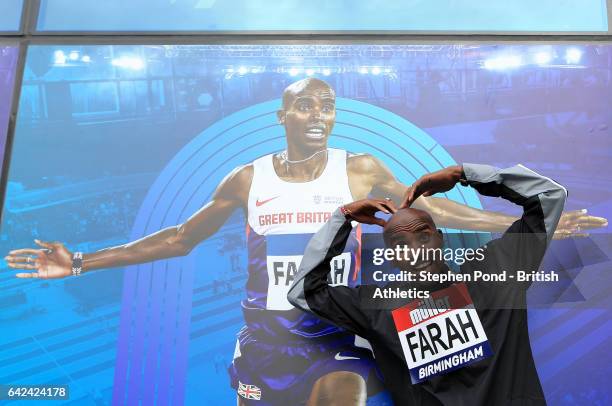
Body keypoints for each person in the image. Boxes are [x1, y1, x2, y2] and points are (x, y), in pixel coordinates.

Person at [5, 78, 601, 405]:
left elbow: (431, 211)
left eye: (328, 105)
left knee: (340, 397)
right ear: (283, 114)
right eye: (306, 104)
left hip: (335, 330)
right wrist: (81, 260)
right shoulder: (247, 179)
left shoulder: (362, 168)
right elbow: (182, 239)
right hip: (264, 338)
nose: (319, 113)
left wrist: (527, 228)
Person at [288, 163, 566, 405]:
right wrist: (343, 216)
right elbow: (303, 291)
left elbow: (549, 195)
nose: (416, 250)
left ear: (441, 239)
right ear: (392, 258)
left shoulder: (494, 274)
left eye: (423, 237)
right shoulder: (378, 306)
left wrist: (463, 174)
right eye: (400, 245)